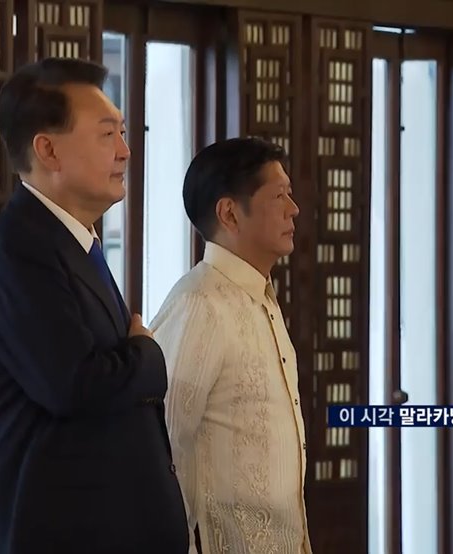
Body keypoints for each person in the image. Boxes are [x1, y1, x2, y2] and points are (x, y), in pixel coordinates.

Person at [0, 57, 188, 554]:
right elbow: (75, 384)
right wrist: (148, 355)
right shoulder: (18, 249)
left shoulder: (73, 244)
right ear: (48, 149)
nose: (125, 151)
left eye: (123, 133)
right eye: (108, 135)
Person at [151, 138, 311, 553]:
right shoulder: (200, 303)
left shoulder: (261, 299)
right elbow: (163, 443)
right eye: (279, 196)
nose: (293, 209)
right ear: (229, 213)